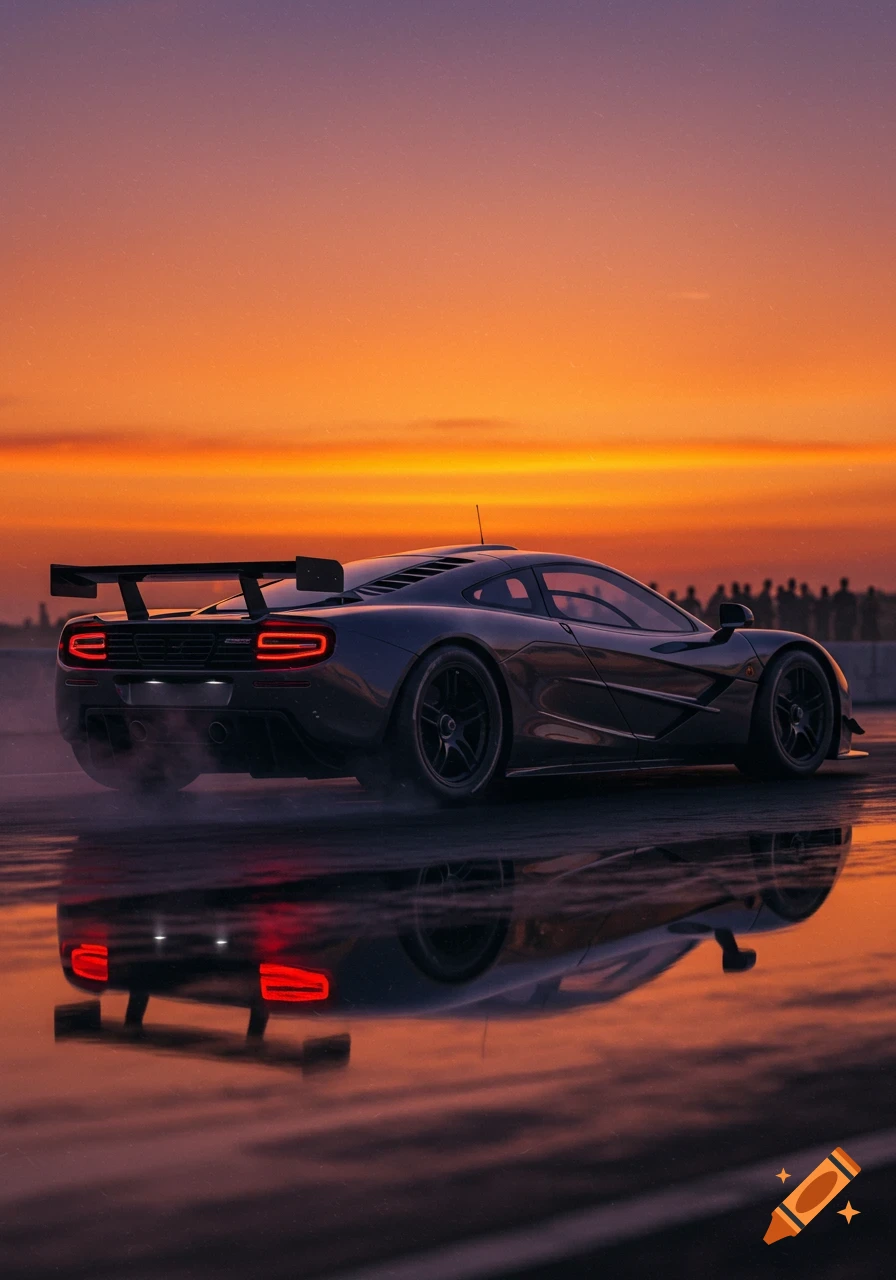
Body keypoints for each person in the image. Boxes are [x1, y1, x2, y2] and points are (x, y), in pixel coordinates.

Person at [832, 577, 858, 641]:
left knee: (843, 638)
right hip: (845, 620)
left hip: (844, 620)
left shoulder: (838, 595)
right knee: (845, 638)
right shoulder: (850, 596)